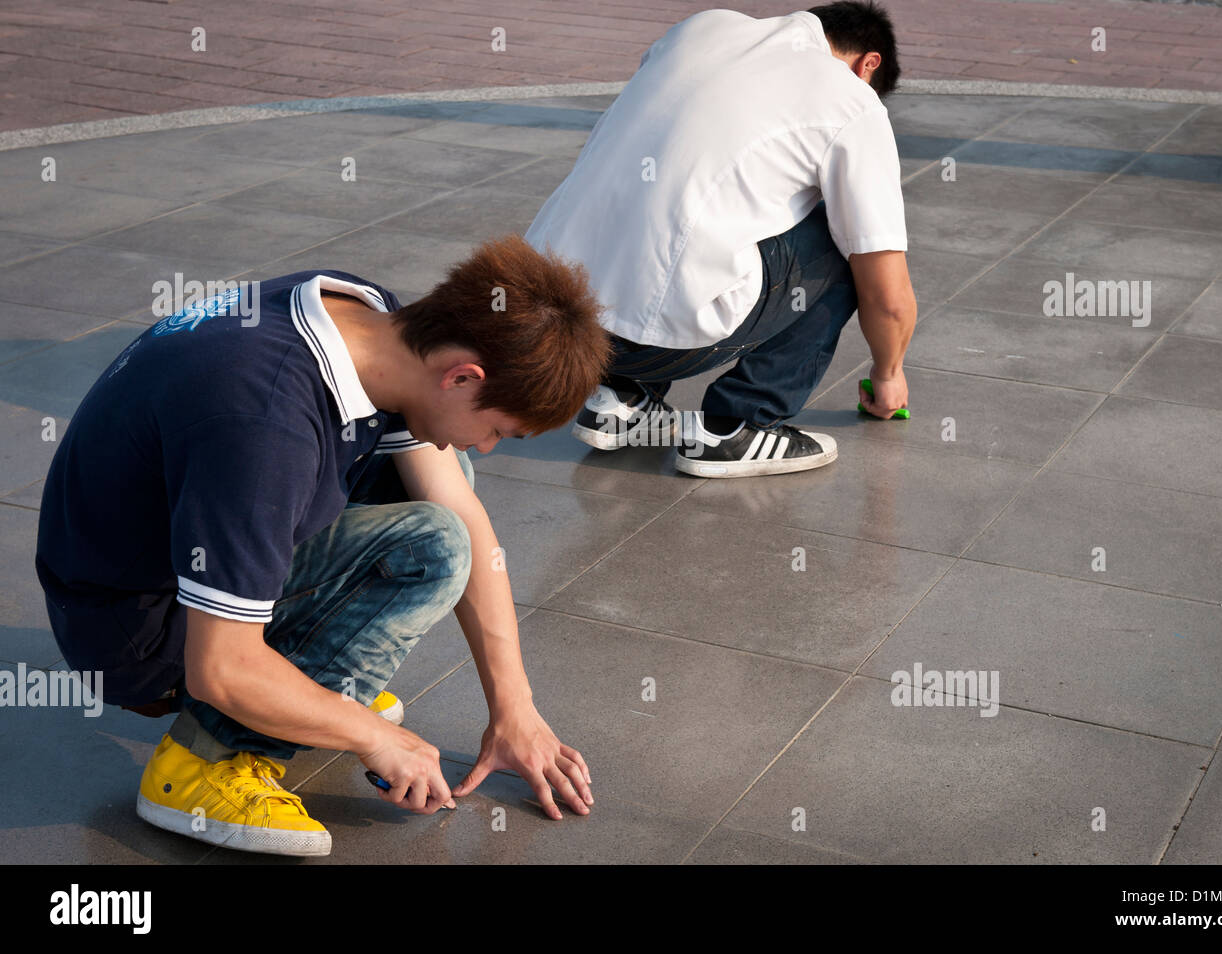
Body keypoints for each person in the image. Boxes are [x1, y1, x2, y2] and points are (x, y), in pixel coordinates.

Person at [33, 235, 610, 856]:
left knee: (443, 481)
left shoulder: (363, 316)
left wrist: (514, 710)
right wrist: (373, 737)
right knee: (429, 548)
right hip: (138, 633)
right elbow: (220, 667)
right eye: (497, 428)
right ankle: (204, 765)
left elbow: (465, 513)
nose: (490, 444)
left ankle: (301, 682)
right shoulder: (263, 423)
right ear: (463, 375)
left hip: (165, 546)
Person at [526, 1, 916, 478]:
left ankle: (620, 396)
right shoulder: (852, 99)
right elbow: (888, 295)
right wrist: (887, 375)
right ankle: (736, 426)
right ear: (867, 64)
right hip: (651, 338)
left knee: (667, 201)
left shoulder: (703, 27)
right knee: (846, 239)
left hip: (552, 310)